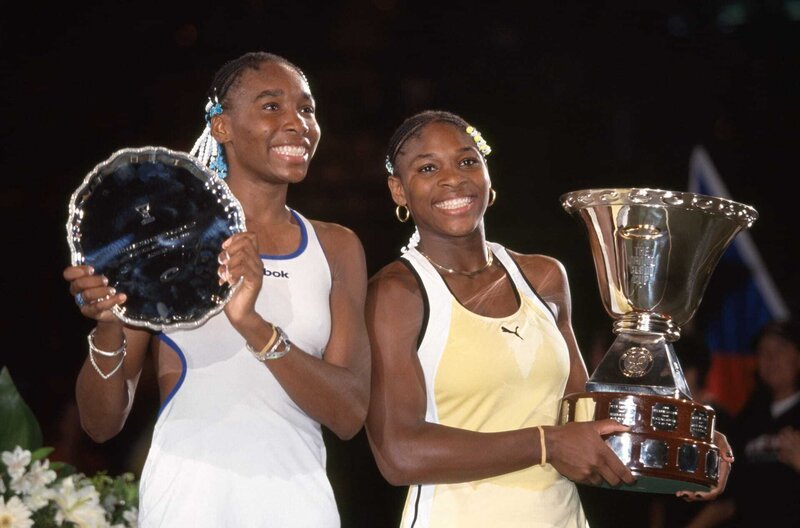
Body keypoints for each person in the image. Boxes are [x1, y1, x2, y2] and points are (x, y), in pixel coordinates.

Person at [363, 110, 732, 527]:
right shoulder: (396, 294)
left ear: (488, 174)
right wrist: (547, 444)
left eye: (467, 160)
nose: (454, 178)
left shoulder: (544, 277)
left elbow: (583, 418)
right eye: (428, 167)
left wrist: (683, 441)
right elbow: (399, 454)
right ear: (399, 190)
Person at [62, 51, 371, 527]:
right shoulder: (161, 244)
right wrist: (107, 329)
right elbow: (101, 425)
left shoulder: (337, 247)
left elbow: (349, 414)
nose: (297, 123)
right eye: (272, 106)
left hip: (300, 507)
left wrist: (253, 325)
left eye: (307, 109)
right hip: (186, 504)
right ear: (222, 127)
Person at [721, 318, 800, 526]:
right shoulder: (746, 420)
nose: (771, 358)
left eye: (781, 349)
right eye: (763, 352)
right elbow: (728, 501)